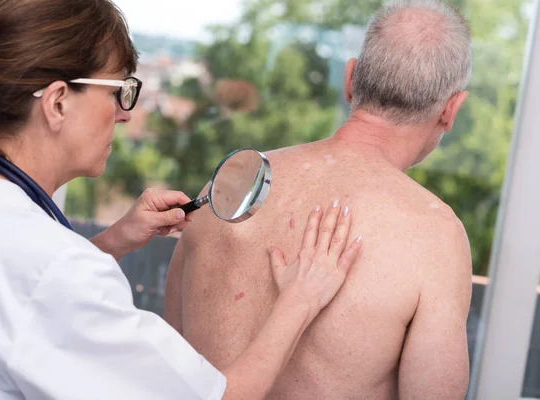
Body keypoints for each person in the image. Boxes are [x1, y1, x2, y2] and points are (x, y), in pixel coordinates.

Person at [0, 0, 364, 399]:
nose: (126, 114)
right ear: (57, 102)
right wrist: (300, 300)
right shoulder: (59, 269)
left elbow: (19, 298)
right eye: (117, 91)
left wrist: (114, 241)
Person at [165, 0, 473, 399]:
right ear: (451, 109)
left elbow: (168, 369)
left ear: (350, 80)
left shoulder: (230, 185)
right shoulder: (435, 236)